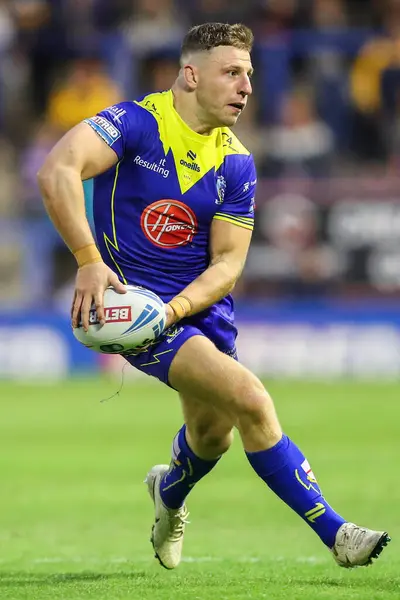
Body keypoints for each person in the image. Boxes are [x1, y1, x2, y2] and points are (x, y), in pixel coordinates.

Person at [37, 22, 390, 571]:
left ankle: (169, 494)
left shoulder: (237, 161)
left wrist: (174, 311)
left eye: (249, 75)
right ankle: (335, 531)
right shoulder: (134, 124)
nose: (247, 86)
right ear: (190, 74)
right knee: (250, 399)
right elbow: (58, 168)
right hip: (133, 303)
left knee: (212, 436)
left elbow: (229, 263)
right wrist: (88, 260)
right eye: (232, 73)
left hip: (194, 311)